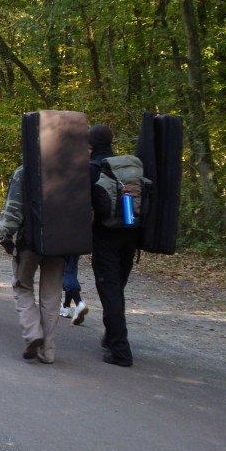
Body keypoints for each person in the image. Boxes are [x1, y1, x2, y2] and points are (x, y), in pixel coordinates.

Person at [0, 165, 65, 364]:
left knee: (22, 287)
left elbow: (13, 208)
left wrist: (5, 236)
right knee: (52, 296)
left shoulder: (25, 170)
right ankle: (48, 351)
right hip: (61, 241)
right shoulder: (69, 169)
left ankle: (33, 332)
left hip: (30, 240)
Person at [89, 124, 137, 367]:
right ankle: (111, 337)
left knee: (110, 291)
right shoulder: (126, 166)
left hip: (105, 236)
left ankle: (121, 351)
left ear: (91, 145)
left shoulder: (95, 168)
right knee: (117, 288)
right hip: (131, 234)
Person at [60, 255, 88, 325]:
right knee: (71, 270)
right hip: (76, 245)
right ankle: (66, 306)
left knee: (66, 272)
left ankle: (79, 303)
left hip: (61, 245)